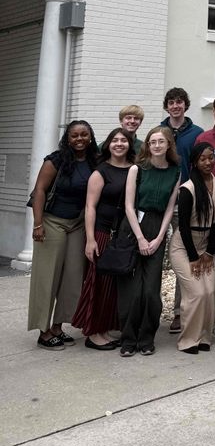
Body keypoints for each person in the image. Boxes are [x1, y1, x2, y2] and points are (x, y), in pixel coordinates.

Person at [27, 120, 99, 350]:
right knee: (46, 277)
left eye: (84, 135)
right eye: (75, 135)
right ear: (67, 138)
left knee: (73, 277)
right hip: (53, 222)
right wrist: (38, 224)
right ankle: (43, 331)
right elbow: (39, 190)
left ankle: (58, 326)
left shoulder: (94, 160)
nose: (80, 139)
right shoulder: (55, 160)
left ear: (90, 137)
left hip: (77, 224)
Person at [117, 126, 180, 356]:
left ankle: (146, 338)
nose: (156, 145)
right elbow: (128, 206)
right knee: (132, 291)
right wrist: (141, 238)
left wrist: (159, 237)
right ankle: (128, 339)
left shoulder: (175, 171)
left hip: (157, 229)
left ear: (168, 145)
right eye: (152, 141)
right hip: (133, 227)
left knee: (151, 291)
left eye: (161, 141)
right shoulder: (137, 169)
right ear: (148, 145)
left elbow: (170, 208)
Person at [72, 127, 134, 349]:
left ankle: (104, 329)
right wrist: (90, 239)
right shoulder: (100, 172)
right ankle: (93, 333)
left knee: (112, 285)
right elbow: (90, 206)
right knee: (98, 283)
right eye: (115, 140)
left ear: (130, 144)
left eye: (124, 140)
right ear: (108, 144)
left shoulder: (134, 169)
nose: (119, 144)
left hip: (122, 234)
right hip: (101, 232)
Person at [169, 142, 215, 354]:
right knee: (196, 293)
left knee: (209, 291)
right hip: (185, 247)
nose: (208, 162)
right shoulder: (188, 189)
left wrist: (209, 252)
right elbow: (182, 226)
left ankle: (204, 337)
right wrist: (194, 257)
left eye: (211, 157)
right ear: (194, 162)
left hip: (207, 245)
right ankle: (188, 340)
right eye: (203, 158)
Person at [161, 86, 203, 334]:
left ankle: (180, 311)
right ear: (166, 106)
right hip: (160, 202)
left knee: (185, 257)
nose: (175, 106)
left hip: (185, 202)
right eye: (171, 102)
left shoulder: (197, 134)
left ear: (185, 105)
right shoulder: (160, 130)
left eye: (179, 102)